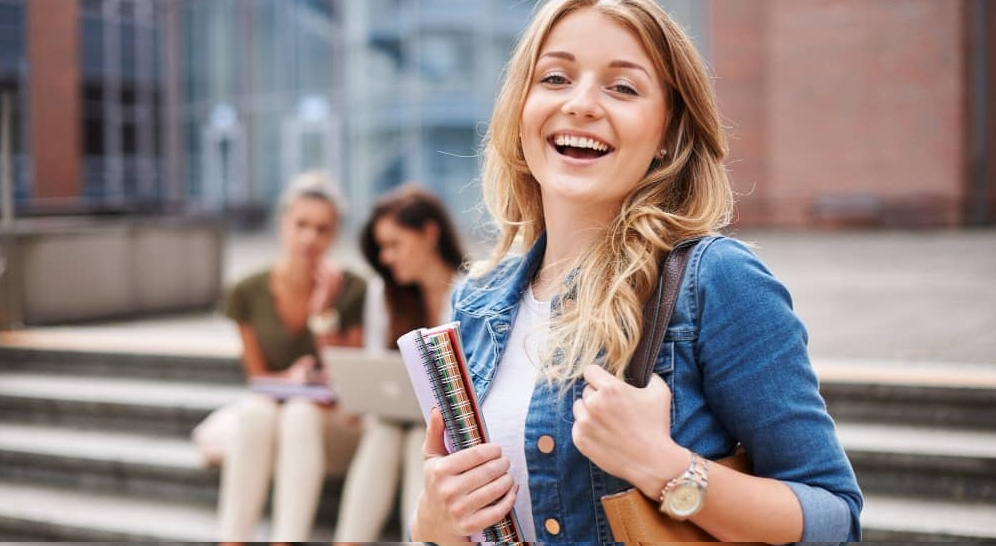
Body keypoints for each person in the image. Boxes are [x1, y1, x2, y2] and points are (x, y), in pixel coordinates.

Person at [409, 0, 863, 543]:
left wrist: (663, 466)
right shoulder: (475, 302)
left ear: (668, 131)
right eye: (556, 77)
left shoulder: (714, 281)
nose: (580, 104)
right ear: (521, 107)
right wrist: (431, 523)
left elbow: (834, 516)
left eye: (622, 88)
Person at [217, 170, 367, 543]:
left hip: (334, 427)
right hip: (274, 419)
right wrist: (292, 381)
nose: (310, 238)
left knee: (299, 413)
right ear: (283, 223)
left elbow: (349, 382)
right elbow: (257, 376)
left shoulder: (351, 289)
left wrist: (324, 314)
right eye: (301, 224)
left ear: (334, 234)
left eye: (322, 229)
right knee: (255, 409)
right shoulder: (247, 290)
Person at [332, 183, 467, 541]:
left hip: (451, 428)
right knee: (387, 430)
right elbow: (378, 367)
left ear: (429, 233)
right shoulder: (384, 294)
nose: (387, 258)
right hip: (395, 420)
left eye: (394, 244)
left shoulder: (472, 291)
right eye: (382, 249)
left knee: (415, 440)